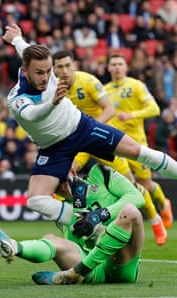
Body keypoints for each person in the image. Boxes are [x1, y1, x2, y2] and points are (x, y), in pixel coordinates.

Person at [1, 24, 177, 237]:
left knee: (139, 152)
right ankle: (86, 220)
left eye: (48, 71)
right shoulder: (16, 99)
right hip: (53, 146)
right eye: (39, 73)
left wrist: (16, 39)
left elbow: (25, 48)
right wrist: (51, 103)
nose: (46, 77)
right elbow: (32, 114)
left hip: (80, 127)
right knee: (35, 200)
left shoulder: (41, 66)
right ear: (25, 71)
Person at [52, 50, 168, 246]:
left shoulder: (89, 81)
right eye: (59, 67)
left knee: (135, 185)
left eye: (67, 66)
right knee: (62, 176)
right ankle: (73, 222)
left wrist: (89, 130)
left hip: (102, 139)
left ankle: (156, 220)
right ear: (53, 69)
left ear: (74, 65)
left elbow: (110, 109)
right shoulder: (52, 89)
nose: (64, 71)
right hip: (79, 144)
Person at [0, 164, 146, 284]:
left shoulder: (100, 174)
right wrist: (79, 213)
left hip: (122, 263)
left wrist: (98, 215)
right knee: (52, 238)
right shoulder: (62, 210)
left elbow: (137, 197)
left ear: (72, 171)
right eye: (57, 188)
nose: (63, 189)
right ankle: (13, 247)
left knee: (130, 211)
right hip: (92, 269)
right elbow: (76, 245)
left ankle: (73, 274)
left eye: (64, 181)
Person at [104, 53, 174, 233]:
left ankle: (164, 203)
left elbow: (155, 109)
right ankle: (149, 220)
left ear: (126, 67)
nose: (117, 67)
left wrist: (132, 115)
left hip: (136, 143)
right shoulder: (104, 90)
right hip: (115, 145)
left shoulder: (136, 85)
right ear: (109, 68)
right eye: (114, 64)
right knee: (129, 185)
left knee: (147, 185)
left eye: (120, 64)